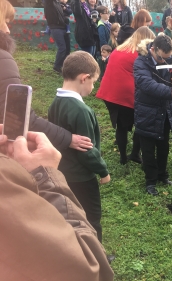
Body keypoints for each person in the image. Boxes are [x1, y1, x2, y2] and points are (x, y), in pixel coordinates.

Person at [0, 126, 114, 281]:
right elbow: (87, 271)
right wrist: (45, 176)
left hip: (70, 171)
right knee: (93, 217)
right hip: (83, 177)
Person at [0, 0, 93, 154]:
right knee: (63, 48)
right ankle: (58, 66)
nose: (8, 31)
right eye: (5, 22)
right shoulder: (3, 60)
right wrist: (68, 138)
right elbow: (21, 119)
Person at [48, 51, 110, 244]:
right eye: (94, 82)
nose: (93, 87)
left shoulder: (55, 104)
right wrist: (103, 171)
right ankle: (96, 257)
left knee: (72, 216)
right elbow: (86, 150)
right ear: (85, 78)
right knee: (91, 218)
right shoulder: (82, 111)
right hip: (83, 177)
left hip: (63, 173)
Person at [133, 33, 172, 196]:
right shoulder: (140, 62)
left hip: (165, 112)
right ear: (153, 49)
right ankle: (150, 181)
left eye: (168, 57)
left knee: (163, 147)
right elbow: (145, 83)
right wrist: (169, 91)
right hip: (147, 112)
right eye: (162, 57)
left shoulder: (169, 57)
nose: (165, 60)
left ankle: (162, 175)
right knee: (148, 150)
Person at [96, 26, 155, 165]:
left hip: (109, 93)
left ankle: (123, 157)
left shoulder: (119, 49)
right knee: (141, 123)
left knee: (121, 127)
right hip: (125, 94)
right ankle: (134, 153)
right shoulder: (139, 54)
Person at [44, 0, 71, 73]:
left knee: (67, 49)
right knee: (62, 48)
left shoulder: (58, 3)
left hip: (63, 27)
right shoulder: (50, 3)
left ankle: (65, 66)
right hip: (56, 28)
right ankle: (57, 67)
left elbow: (68, 12)